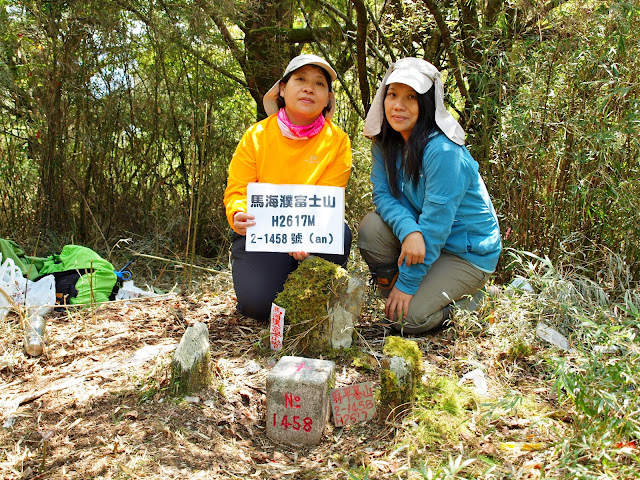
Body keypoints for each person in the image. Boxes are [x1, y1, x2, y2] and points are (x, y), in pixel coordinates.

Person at [358, 57, 501, 334]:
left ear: (426, 104)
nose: (398, 105)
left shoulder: (442, 151)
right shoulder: (386, 142)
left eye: (411, 97)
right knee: (371, 229)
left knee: (406, 320)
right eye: (392, 95)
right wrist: (410, 231)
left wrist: (409, 283)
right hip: (424, 238)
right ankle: (396, 297)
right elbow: (384, 195)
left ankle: (480, 300)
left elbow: (436, 227)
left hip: (466, 253)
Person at [224, 54, 353, 321]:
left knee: (340, 234)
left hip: (313, 236)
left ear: (328, 97)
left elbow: (329, 197)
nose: (309, 88)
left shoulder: (337, 141)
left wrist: (303, 232)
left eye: (319, 84)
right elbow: (238, 190)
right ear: (283, 89)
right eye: (301, 80)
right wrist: (238, 214)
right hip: (263, 236)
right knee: (258, 307)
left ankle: (313, 299)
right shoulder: (256, 137)